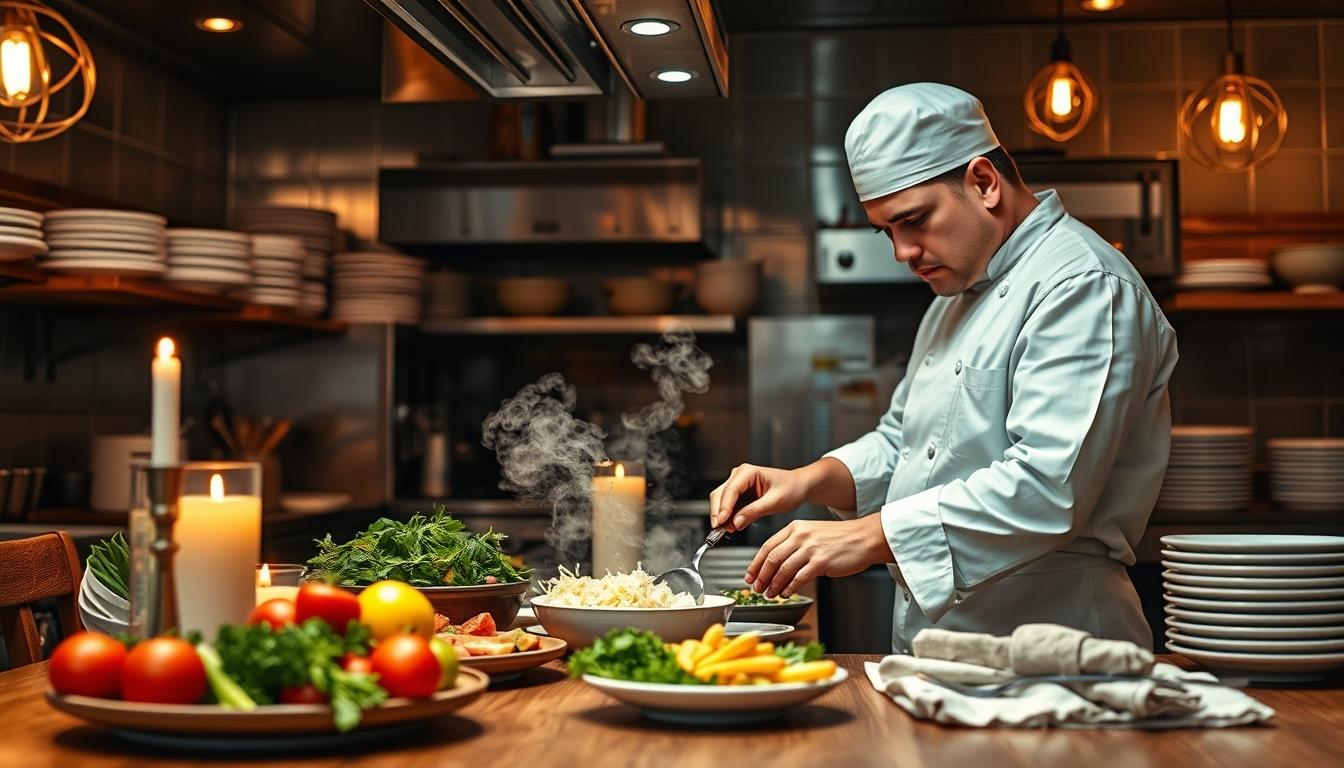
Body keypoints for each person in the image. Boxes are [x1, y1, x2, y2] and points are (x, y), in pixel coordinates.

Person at [709, 83, 1178, 651]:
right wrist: (804, 481)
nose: (902, 253)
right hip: (944, 654)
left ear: (984, 182)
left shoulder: (1083, 286)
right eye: (888, 232)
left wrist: (870, 534)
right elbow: (904, 443)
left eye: (914, 221)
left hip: (1055, 646)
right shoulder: (953, 298)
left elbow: (1047, 487)